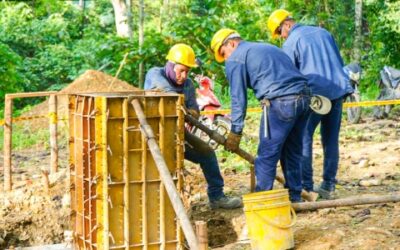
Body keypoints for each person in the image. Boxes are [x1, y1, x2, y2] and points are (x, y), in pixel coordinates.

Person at [210, 29, 311, 202]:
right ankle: (295, 198)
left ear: (231, 44)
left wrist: (236, 131)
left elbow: (237, 97)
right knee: (292, 151)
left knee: (266, 156)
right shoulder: (265, 48)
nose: (225, 58)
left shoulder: (235, 57)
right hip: (305, 99)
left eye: (223, 53)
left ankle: (262, 203)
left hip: (281, 102)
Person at [144, 43, 242, 209]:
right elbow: (167, 92)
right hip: (153, 135)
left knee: (207, 152)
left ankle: (217, 196)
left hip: (177, 132)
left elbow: (195, 112)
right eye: (180, 70)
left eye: (187, 71)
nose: (183, 75)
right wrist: (181, 105)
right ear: (170, 65)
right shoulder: (155, 73)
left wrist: (190, 113)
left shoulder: (188, 84)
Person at [268, 9, 353, 199]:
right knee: (330, 140)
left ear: (287, 25)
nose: (281, 37)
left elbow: (288, 75)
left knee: (303, 139)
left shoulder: (292, 41)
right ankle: (329, 185)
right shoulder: (324, 33)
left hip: (314, 97)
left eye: (280, 32)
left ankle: (307, 186)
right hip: (337, 91)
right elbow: (339, 63)